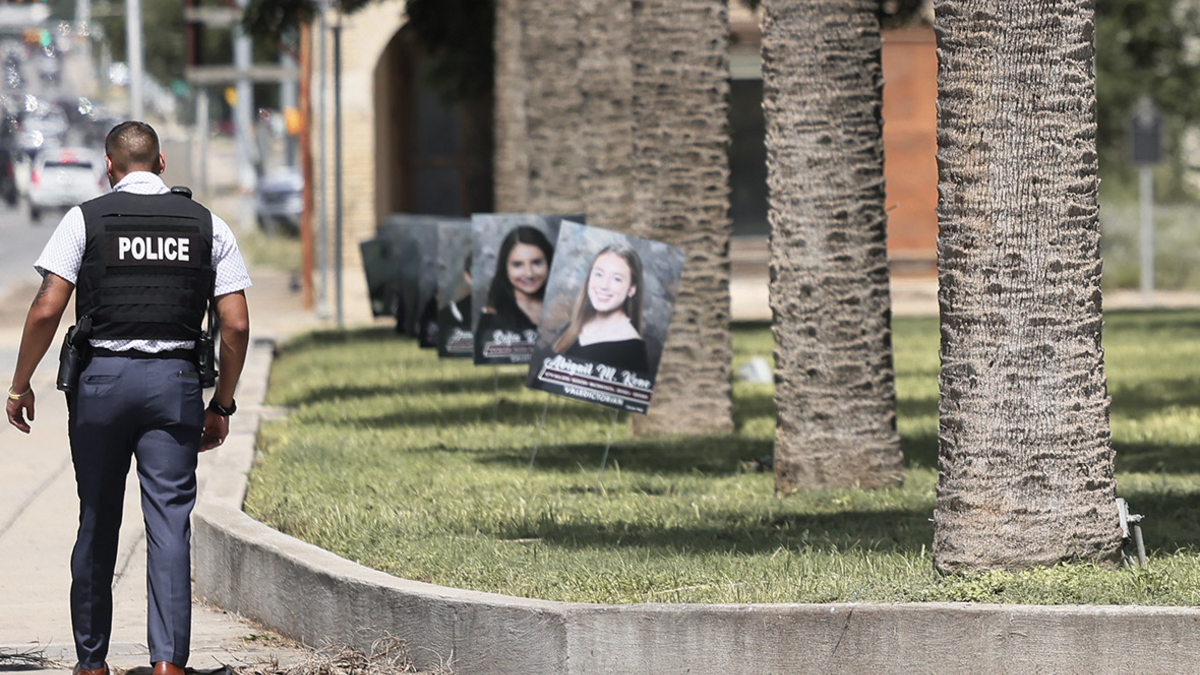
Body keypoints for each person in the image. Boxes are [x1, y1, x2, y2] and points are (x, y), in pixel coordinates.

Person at [4, 121, 251, 675]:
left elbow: (47, 308)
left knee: (97, 520)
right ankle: (168, 665)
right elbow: (234, 325)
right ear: (162, 164)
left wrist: (19, 385)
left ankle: (92, 665)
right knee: (168, 525)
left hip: (102, 385)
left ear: (108, 169)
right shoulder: (207, 225)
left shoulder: (84, 219)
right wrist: (223, 404)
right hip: (175, 386)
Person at [552, 244, 650, 374]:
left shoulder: (634, 352)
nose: (603, 285)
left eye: (616, 279)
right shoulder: (573, 327)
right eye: (599, 274)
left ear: (631, 289)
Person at [475, 226, 553, 360]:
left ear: (549, 262)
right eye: (518, 264)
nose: (529, 273)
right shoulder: (492, 314)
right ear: (505, 268)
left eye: (536, 262)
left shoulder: (565, 311)